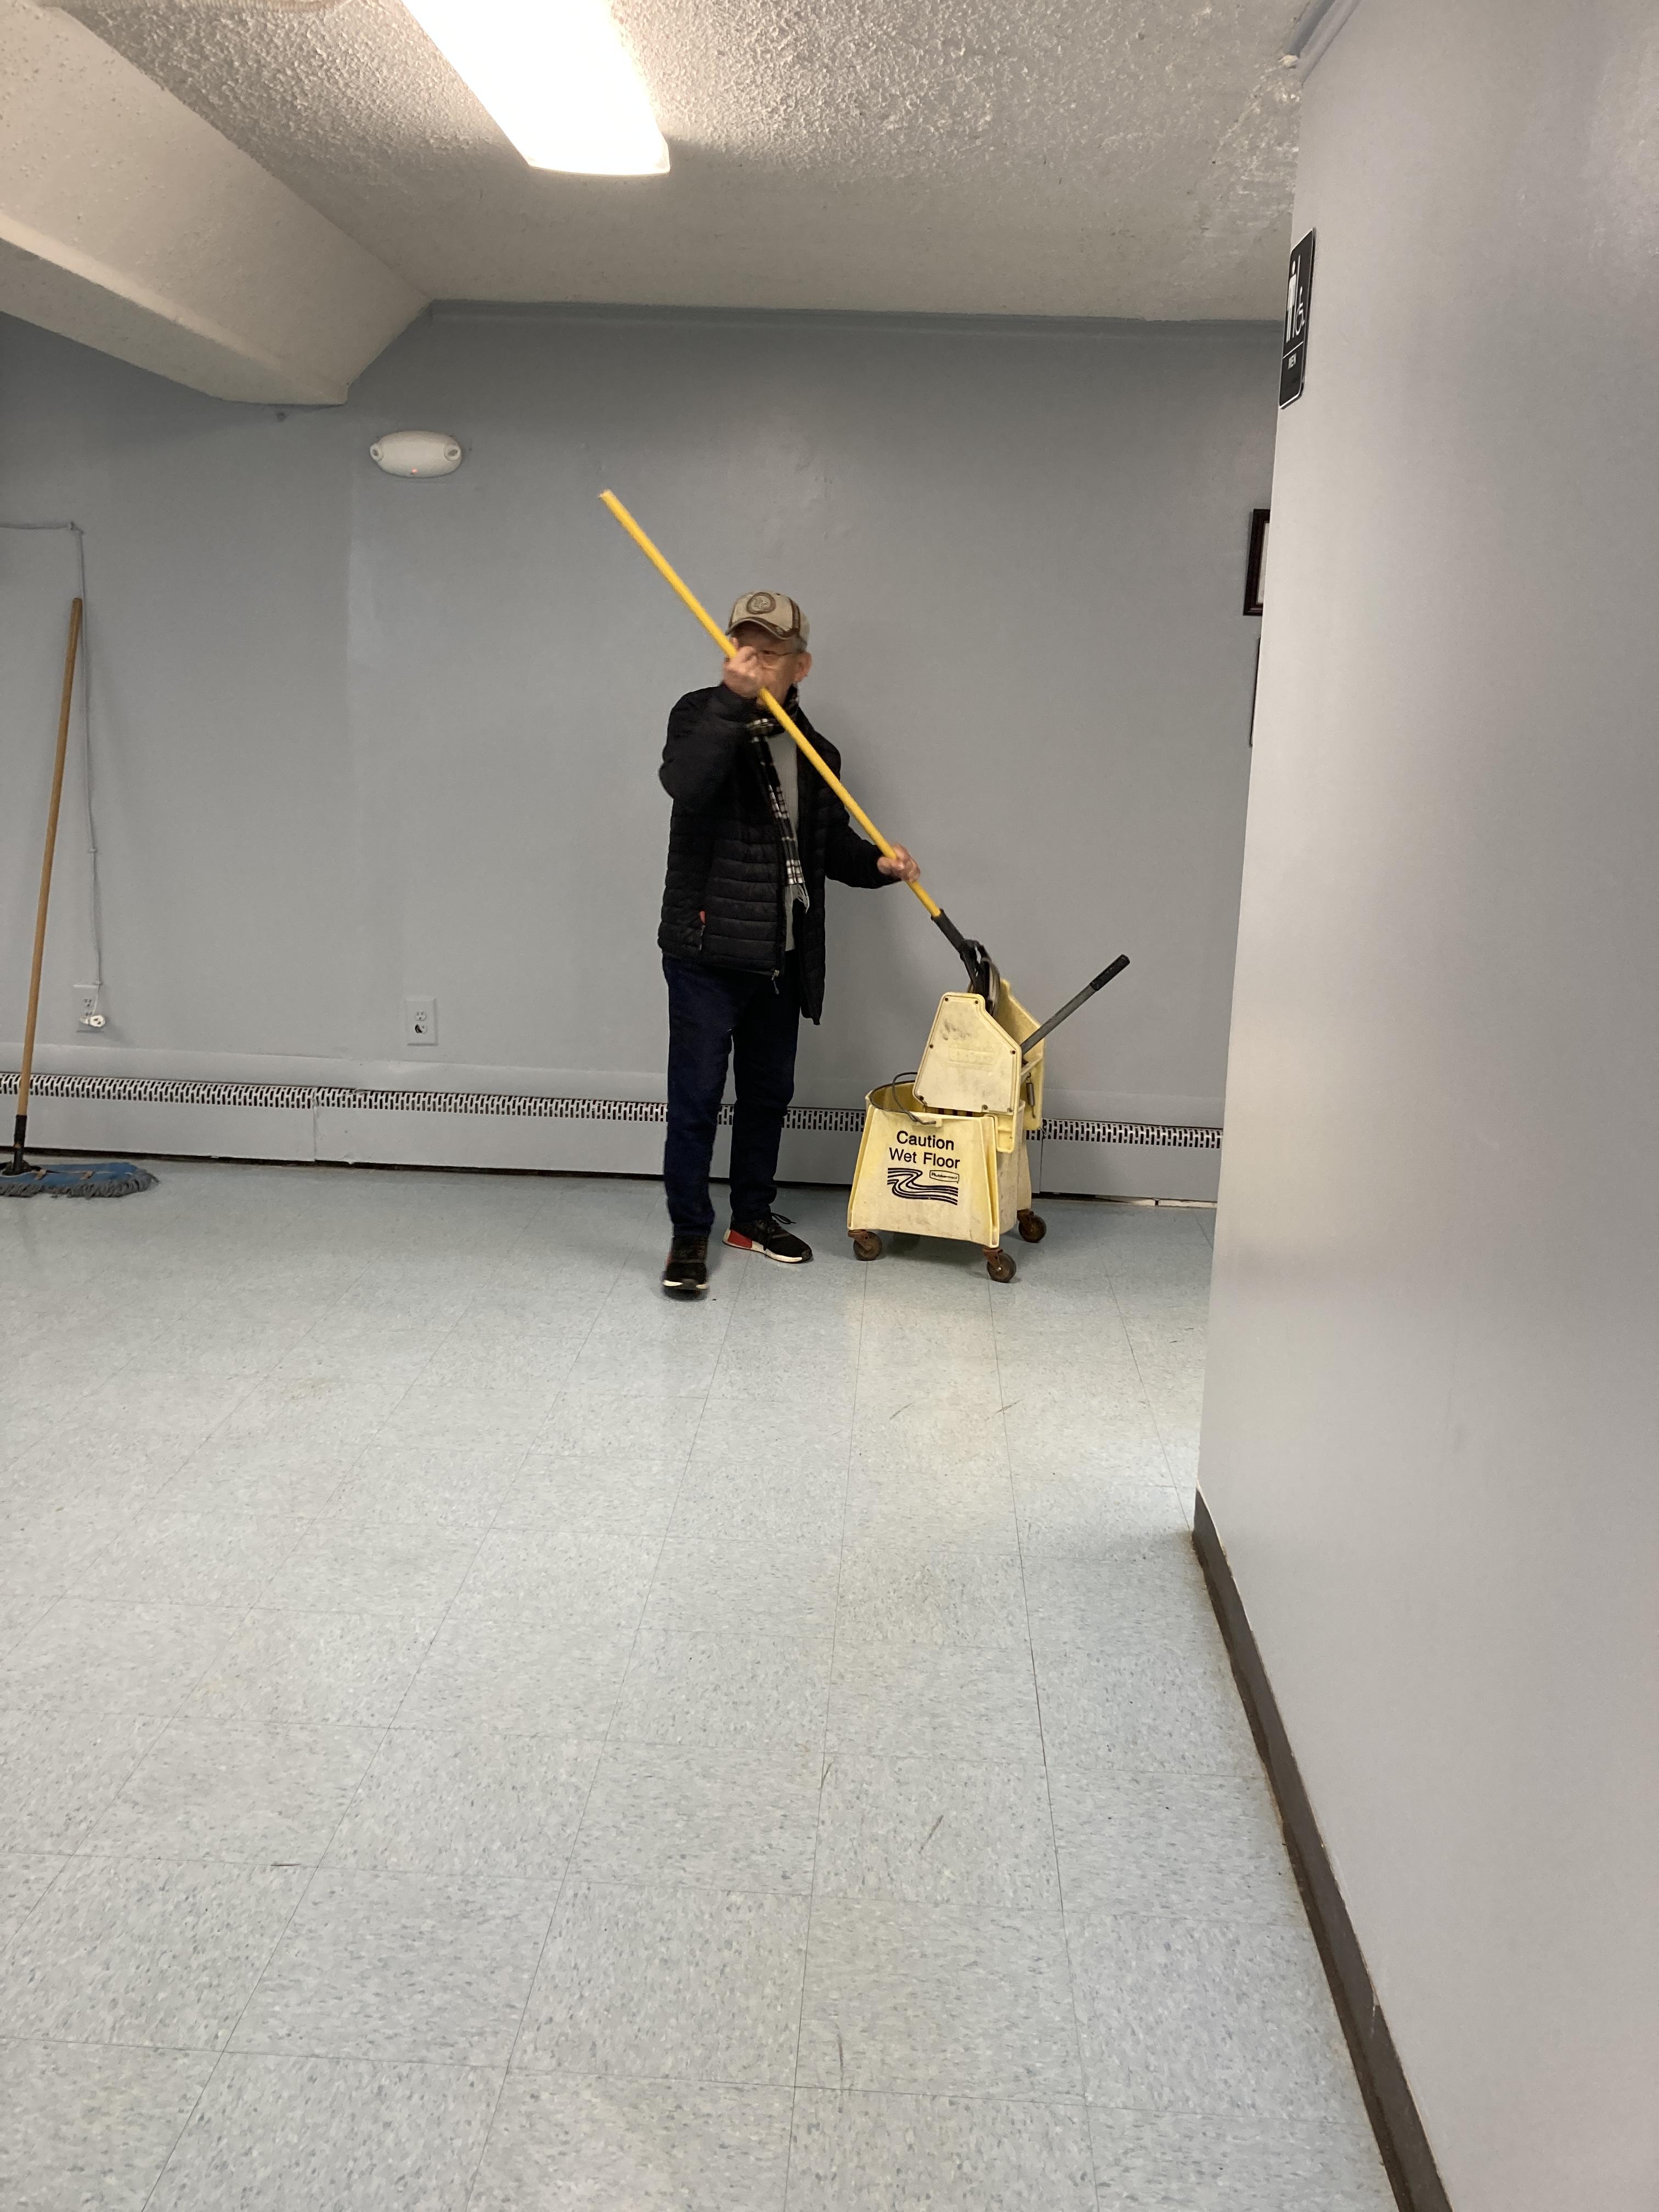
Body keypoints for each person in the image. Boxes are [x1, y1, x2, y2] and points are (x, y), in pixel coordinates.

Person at [656, 590, 918, 1296]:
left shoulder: (816, 751)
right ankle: (689, 1234)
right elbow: (686, 785)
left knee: (768, 1096)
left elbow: (827, 849)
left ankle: (751, 1218)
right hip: (707, 950)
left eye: (769, 653)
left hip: (782, 954)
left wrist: (880, 865)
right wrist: (731, 704)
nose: (753, 661)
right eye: (741, 647)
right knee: (696, 1098)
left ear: (800, 666)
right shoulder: (699, 715)